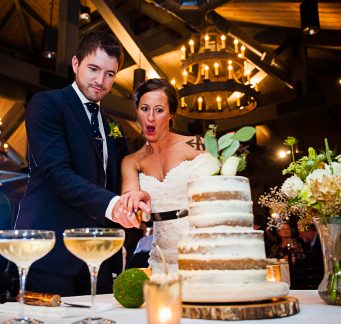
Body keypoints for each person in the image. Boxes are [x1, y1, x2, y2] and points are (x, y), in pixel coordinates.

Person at [18, 31, 150, 296]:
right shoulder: (47, 105)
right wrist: (114, 207)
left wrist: (135, 198)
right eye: (93, 69)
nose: (101, 81)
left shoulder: (114, 126)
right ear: (76, 63)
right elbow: (57, 174)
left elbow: (121, 178)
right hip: (51, 250)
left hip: (99, 256)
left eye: (110, 74)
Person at [120, 78, 205, 275]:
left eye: (159, 110)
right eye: (144, 109)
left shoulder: (195, 144)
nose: (150, 118)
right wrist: (133, 207)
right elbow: (129, 199)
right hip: (161, 258)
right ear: (137, 111)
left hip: (201, 250)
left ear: (171, 114)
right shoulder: (131, 161)